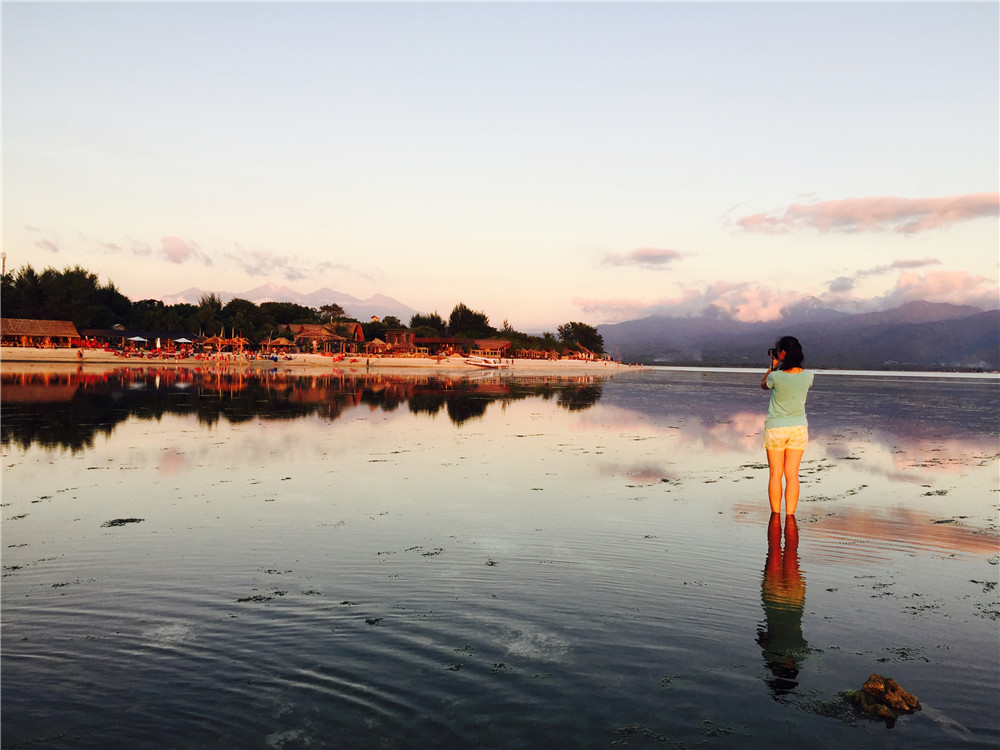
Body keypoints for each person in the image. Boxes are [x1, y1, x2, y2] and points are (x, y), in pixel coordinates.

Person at [760, 336, 813, 514]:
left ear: (782, 353)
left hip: (776, 428)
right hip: (798, 428)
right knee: (792, 475)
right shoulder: (809, 376)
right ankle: (790, 516)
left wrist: (773, 365)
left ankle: (775, 516)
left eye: (778, 351)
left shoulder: (775, 376)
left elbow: (763, 385)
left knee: (775, 474)